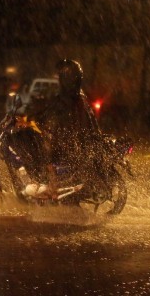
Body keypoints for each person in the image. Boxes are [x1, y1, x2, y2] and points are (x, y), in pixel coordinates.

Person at [29, 59, 102, 200]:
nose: (58, 80)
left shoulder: (67, 98)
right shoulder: (77, 95)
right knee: (45, 139)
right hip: (77, 139)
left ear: (66, 79)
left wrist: (33, 117)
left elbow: (49, 111)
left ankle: (52, 187)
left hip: (74, 142)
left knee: (45, 149)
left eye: (60, 77)